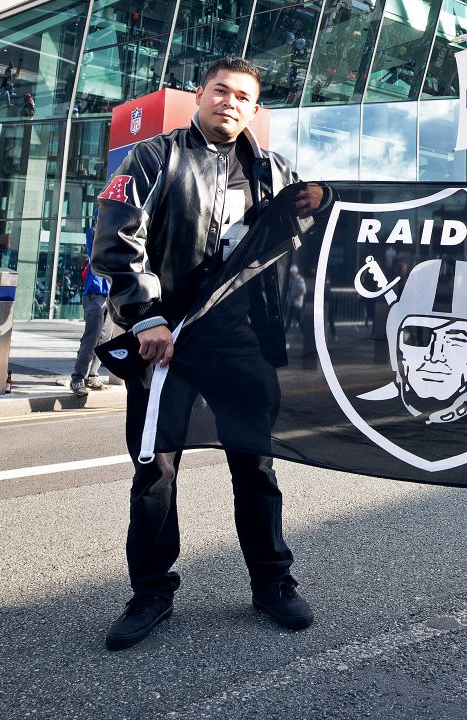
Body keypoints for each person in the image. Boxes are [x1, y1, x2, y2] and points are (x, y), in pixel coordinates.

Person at [92, 56, 328, 652]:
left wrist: (321, 203)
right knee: (155, 469)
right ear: (201, 95)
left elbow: (306, 243)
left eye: (242, 96)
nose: (229, 101)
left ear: (254, 109)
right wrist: (145, 317)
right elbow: (118, 238)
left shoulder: (274, 171)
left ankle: (272, 583)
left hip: (244, 343)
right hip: (167, 340)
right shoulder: (152, 156)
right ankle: (150, 591)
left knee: (256, 466)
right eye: (220, 90)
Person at [71, 228, 113, 396]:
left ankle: (92, 376)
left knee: (104, 340)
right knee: (92, 338)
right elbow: (93, 234)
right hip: (95, 295)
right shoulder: (96, 235)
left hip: (111, 297)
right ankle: (78, 377)